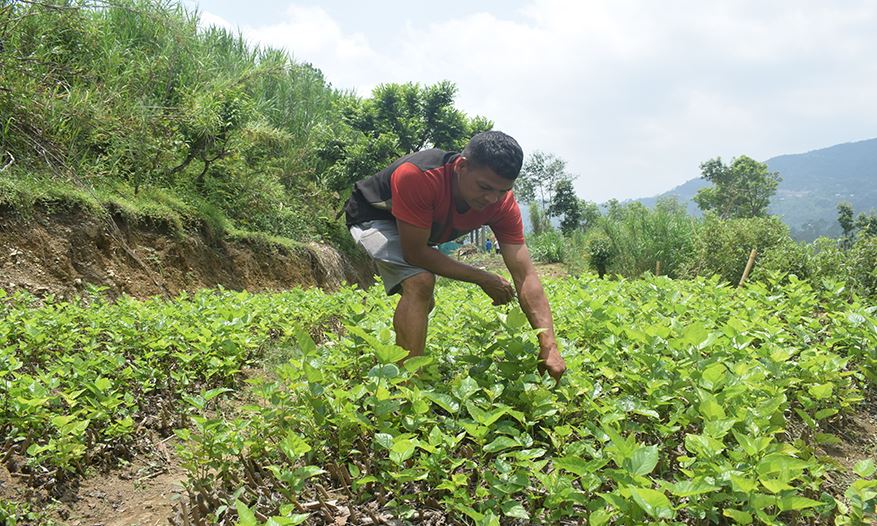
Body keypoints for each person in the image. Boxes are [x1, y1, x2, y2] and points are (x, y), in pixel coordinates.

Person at [343, 131, 566, 380]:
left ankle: (400, 357)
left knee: (422, 298)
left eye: (503, 190)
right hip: (375, 215)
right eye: (484, 187)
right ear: (461, 166)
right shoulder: (419, 176)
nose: (492, 198)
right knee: (420, 281)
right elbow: (415, 253)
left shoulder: (502, 204)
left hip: (419, 228)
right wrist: (484, 278)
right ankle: (405, 386)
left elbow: (525, 274)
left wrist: (549, 346)